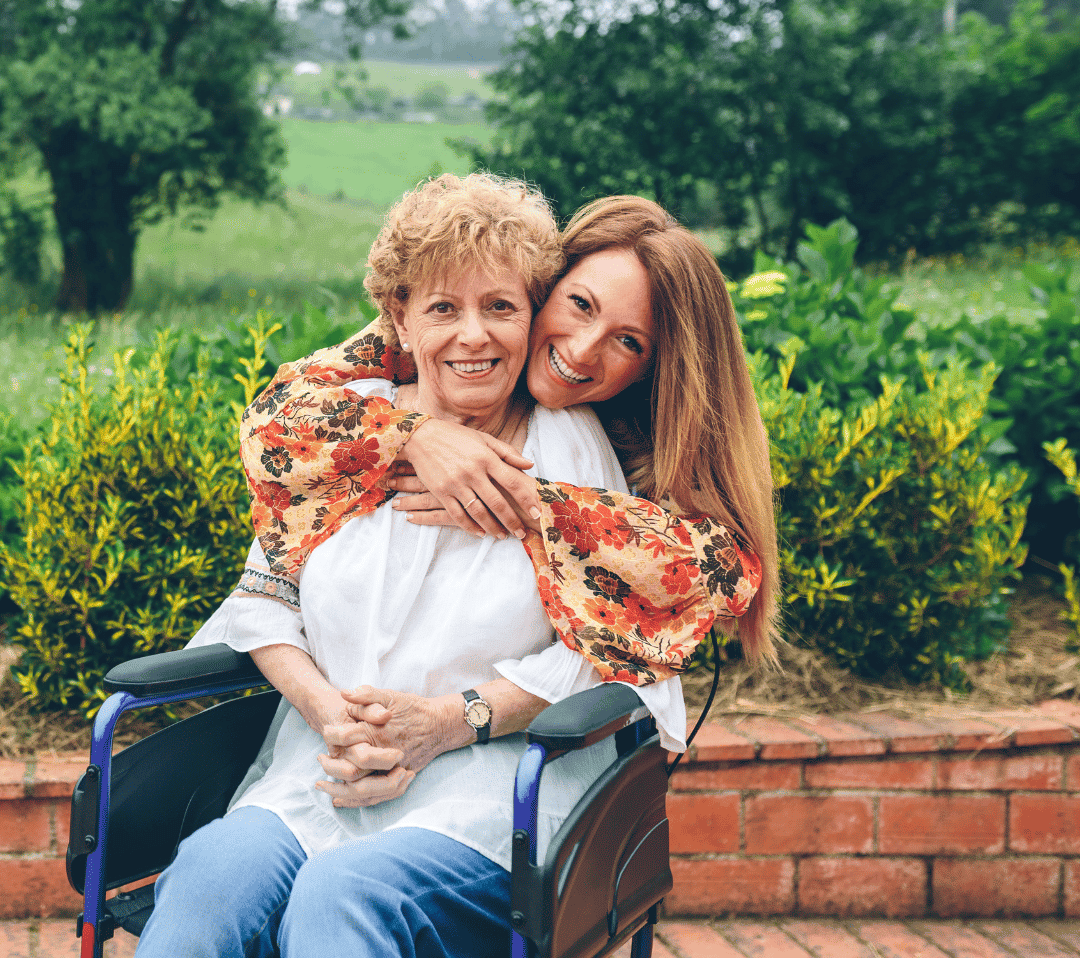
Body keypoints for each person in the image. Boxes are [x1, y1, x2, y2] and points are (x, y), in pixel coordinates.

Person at [134, 174, 690, 958]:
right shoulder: (346, 434)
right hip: (319, 771)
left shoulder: (566, 456)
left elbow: (607, 650)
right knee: (208, 877)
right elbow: (263, 598)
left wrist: (446, 723)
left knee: (347, 894)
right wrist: (328, 712)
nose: (474, 336)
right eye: (443, 308)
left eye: (500, 306)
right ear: (399, 317)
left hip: (490, 793)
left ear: (531, 316)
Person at [241, 194, 778, 690]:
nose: (583, 350)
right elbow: (272, 417)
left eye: (628, 341)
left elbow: (718, 572)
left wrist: (532, 503)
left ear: (653, 370)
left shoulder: (616, 439)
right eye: (581, 305)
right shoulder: (405, 355)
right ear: (544, 289)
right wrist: (414, 435)